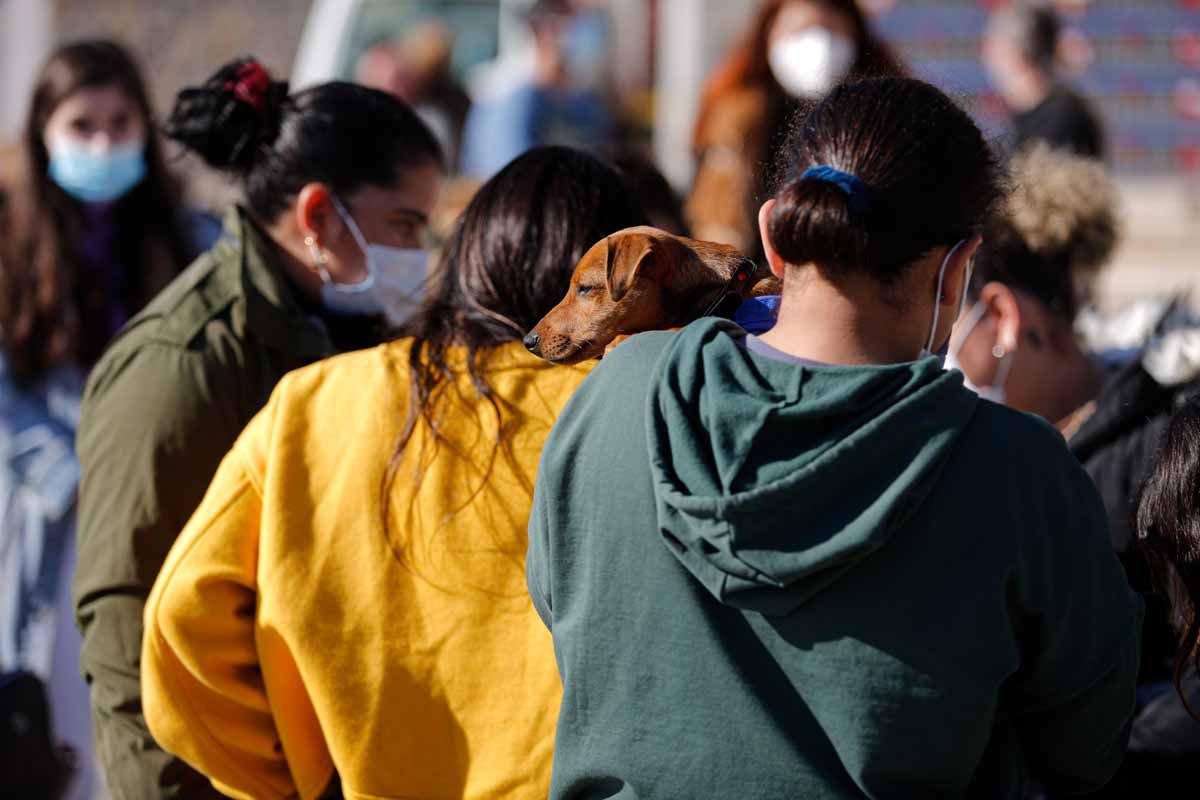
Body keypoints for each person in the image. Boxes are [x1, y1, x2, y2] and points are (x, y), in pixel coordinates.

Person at [527, 77, 1142, 798]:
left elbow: (562, 612)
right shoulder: (1022, 471)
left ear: (773, 238)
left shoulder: (613, 395)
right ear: (956, 271)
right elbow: (1085, 746)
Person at [137, 147, 647, 799]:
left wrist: (285, 777)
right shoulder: (642, 404)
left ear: (468, 256)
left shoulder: (314, 406)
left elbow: (180, 623)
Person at [71, 57, 445, 799]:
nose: (417, 254)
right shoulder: (185, 362)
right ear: (316, 217)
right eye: (403, 224)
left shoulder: (351, 331)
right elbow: (129, 634)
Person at [946, 144, 1200, 797]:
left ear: (1002, 317)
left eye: (949, 323)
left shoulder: (1164, 446)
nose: (936, 354)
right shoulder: (1007, 451)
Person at [0, 40, 215, 800]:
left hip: (161, 511)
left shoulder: (193, 241)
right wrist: (76, 478)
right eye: (82, 126)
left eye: (121, 123)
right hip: (56, 522)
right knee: (57, 718)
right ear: (42, 130)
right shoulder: (9, 242)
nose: (103, 143)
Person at [687, 0, 902, 255]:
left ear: (857, 38)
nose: (818, 44)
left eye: (832, 30)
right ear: (768, 37)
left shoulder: (889, 120)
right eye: (800, 30)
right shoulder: (729, 122)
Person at [460, 0, 613, 179]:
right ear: (542, 30)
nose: (585, 31)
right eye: (571, 18)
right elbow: (512, 187)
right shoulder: (505, 101)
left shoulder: (585, 102)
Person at [982, 0, 1105, 159]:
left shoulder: (1060, 120)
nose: (988, 61)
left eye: (993, 50)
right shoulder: (1026, 117)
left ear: (1014, 54)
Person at [355, 20, 473, 170]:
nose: (397, 87)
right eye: (388, 81)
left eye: (401, 78)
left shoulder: (429, 118)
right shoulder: (361, 132)